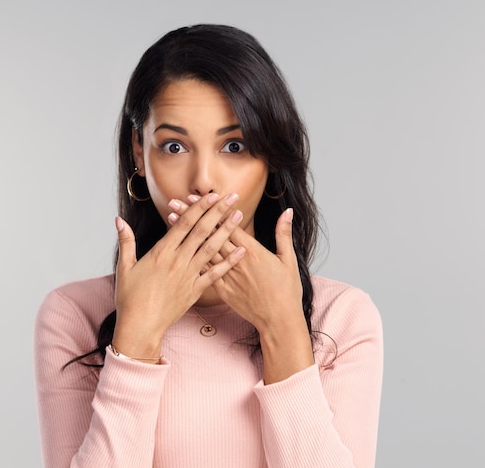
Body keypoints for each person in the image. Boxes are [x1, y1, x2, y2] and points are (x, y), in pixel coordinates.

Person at [34, 24, 383, 468]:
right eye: (174, 146)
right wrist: (136, 338)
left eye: (234, 146)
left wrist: (283, 328)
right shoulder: (74, 315)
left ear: (271, 157)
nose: (204, 181)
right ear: (139, 152)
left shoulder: (343, 317)